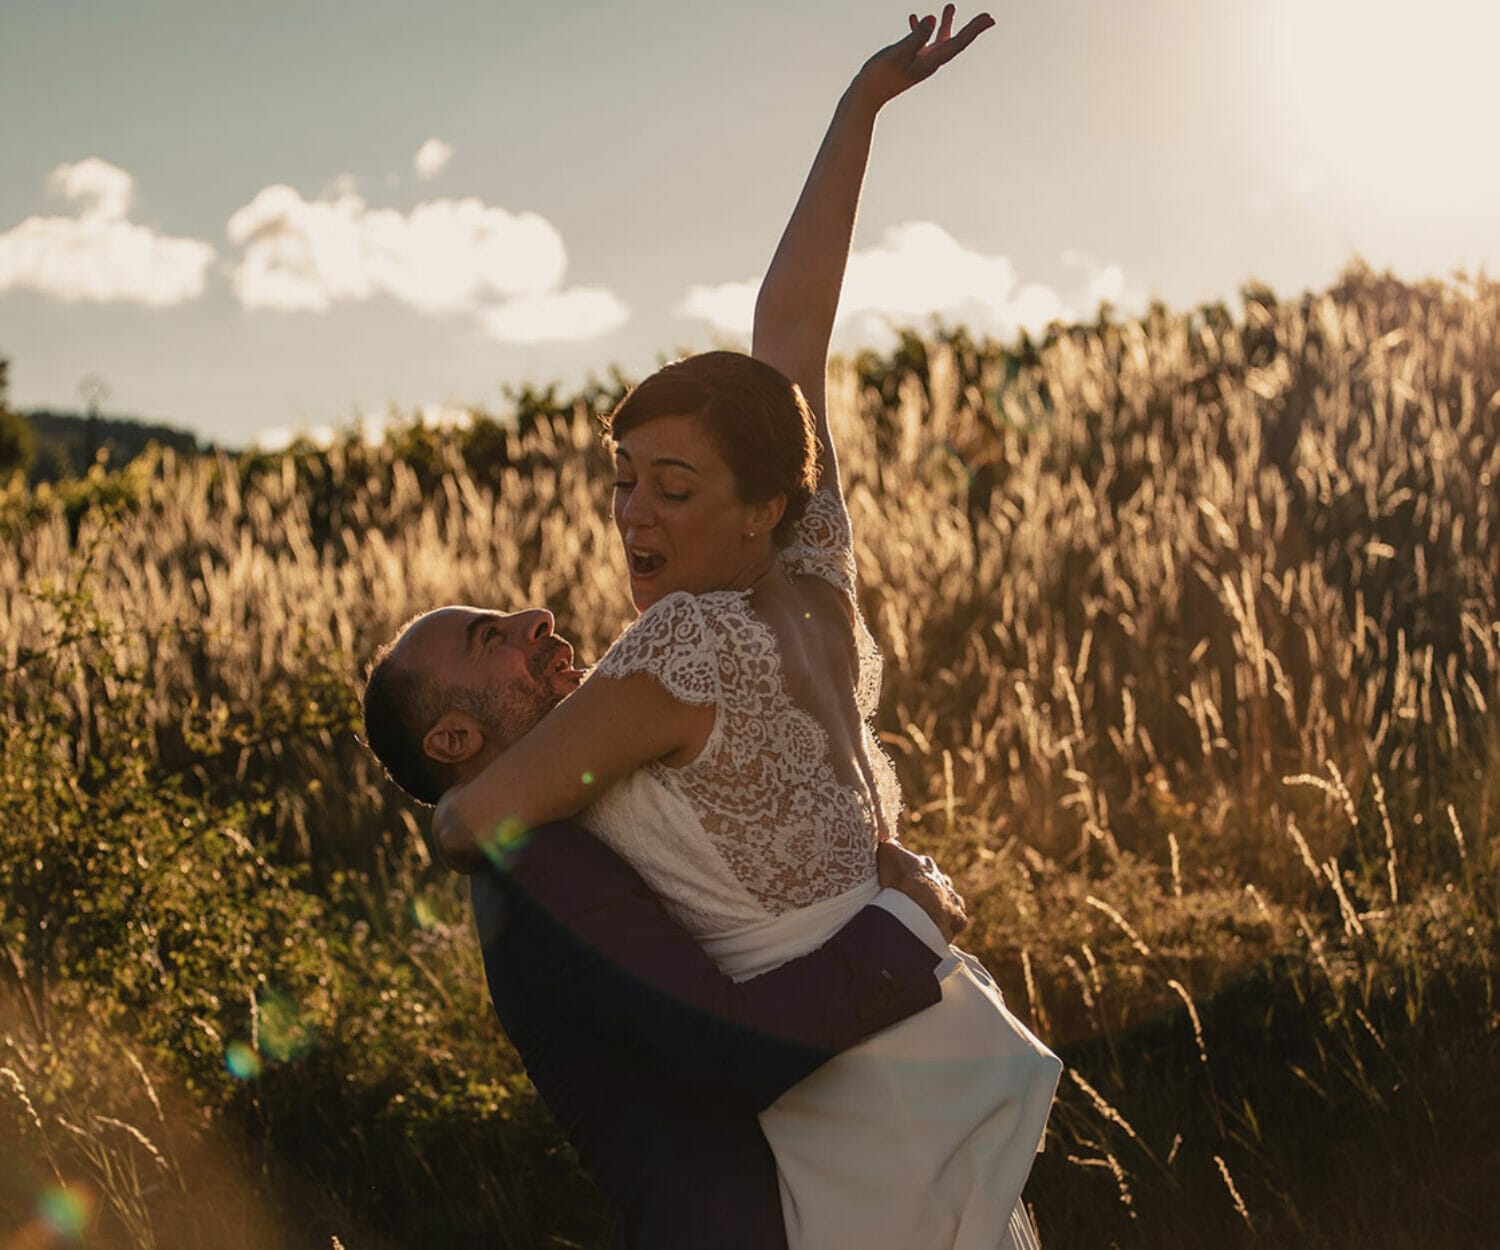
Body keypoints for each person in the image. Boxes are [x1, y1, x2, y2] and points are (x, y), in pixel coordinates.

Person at [432, 10, 1062, 1249]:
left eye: (675, 489)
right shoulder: (817, 575)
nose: (633, 517)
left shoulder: (683, 653)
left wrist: (455, 778)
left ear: (765, 501)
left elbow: (470, 820)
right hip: (923, 1012)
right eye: (623, 479)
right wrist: (862, 108)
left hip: (846, 1084)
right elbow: (793, 337)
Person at [363, 607, 971, 1248]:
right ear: (454, 740)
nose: (537, 620)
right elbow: (725, 1048)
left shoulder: (575, 820)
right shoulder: (536, 872)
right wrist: (907, 925)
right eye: (490, 638)